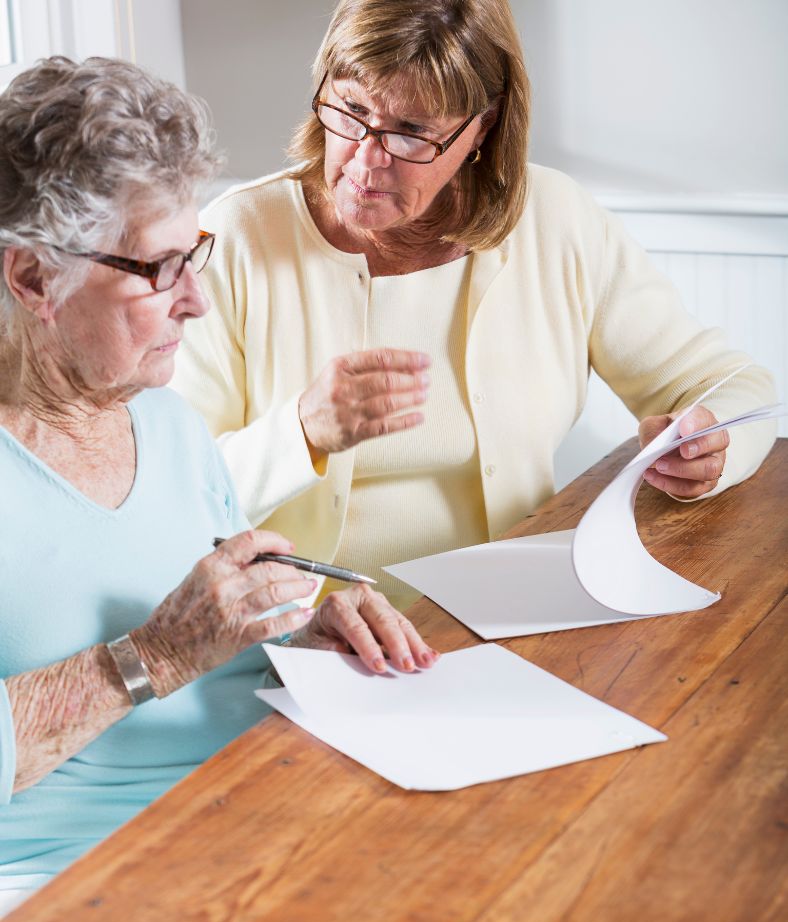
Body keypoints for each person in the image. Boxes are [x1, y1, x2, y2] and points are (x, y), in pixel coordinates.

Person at [0, 56, 438, 915]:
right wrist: (150, 659)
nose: (196, 302)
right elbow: (170, 647)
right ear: (31, 279)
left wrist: (303, 618)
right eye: (159, 269)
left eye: (195, 255)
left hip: (267, 813)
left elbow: (208, 627)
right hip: (81, 882)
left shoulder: (168, 423)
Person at [171, 0, 776, 611]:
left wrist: (709, 450)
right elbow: (173, 497)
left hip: (519, 613)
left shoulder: (555, 220)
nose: (364, 159)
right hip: (311, 637)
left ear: (481, 128)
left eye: (411, 132)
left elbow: (731, 386)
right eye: (352, 110)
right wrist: (303, 432)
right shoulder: (233, 239)